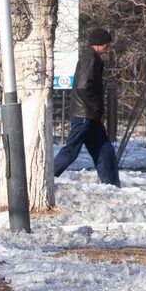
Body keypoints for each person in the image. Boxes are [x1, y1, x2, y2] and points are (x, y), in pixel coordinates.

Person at [51, 24, 122, 187]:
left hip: (91, 116)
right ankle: (48, 177)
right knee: (71, 150)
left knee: (105, 150)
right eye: (106, 44)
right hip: (85, 115)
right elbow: (84, 87)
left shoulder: (92, 59)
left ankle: (111, 185)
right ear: (98, 43)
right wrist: (95, 106)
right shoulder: (89, 59)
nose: (108, 48)